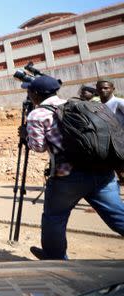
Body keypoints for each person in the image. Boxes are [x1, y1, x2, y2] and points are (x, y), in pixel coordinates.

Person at [22, 76, 124, 260]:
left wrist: (26, 135)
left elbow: (38, 147)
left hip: (66, 173)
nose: (28, 95)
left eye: (29, 92)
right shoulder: (77, 104)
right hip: (101, 169)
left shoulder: (37, 114)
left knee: (54, 218)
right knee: (117, 215)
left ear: (36, 94)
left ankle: (56, 260)